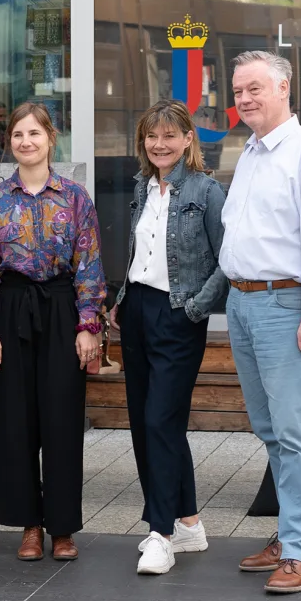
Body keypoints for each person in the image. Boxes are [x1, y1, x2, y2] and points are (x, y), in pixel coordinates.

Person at [220, 50, 301, 594]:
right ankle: (291, 531)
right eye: (238, 91)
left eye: (254, 89)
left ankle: (300, 550)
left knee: (295, 433)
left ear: (284, 88)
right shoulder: (249, 151)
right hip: (245, 304)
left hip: (289, 307)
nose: (244, 99)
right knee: (271, 429)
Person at [0, 102, 105, 562]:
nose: (25, 142)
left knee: (63, 421)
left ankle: (62, 527)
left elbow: (89, 265)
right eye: (17, 136)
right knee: (16, 422)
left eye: (34, 134)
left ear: (51, 138)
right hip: (11, 311)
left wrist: (89, 326)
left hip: (63, 309)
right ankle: (29, 524)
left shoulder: (74, 197)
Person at [108, 99, 227, 575]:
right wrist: (120, 298)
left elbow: (228, 259)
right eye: (151, 137)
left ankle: (160, 533)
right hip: (136, 310)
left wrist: (197, 308)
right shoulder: (141, 187)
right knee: (148, 422)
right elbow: (140, 252)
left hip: (178, 314)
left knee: (160, 419)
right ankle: (190, 523)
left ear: (187, 140)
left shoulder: (206, 190)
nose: (159, 144)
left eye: (169, 136)